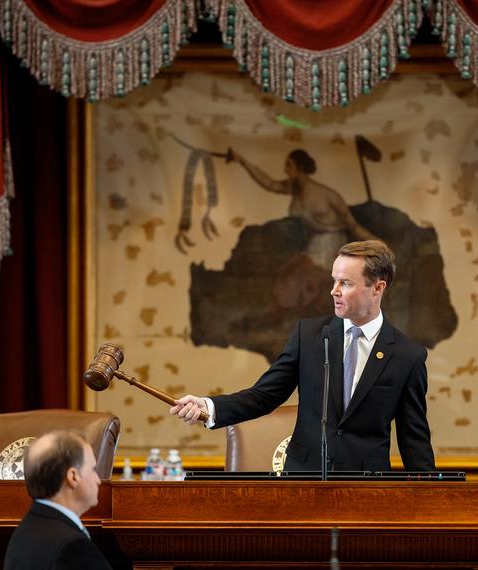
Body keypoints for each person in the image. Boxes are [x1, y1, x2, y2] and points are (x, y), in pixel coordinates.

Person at [171, 240, 435, 472]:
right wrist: (210, 407)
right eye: (334, 280)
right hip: (302, 481)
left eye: (345, 283)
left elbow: (414, 440)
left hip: (367, 491)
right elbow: (265, 395)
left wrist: (433, 506)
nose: (334, 290)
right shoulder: (309, 336)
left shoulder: (406, 356)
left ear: (377, 288)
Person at [229, 148, 377, 268]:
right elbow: (269, 183)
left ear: (300, 167)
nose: (285, 170)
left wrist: (375, 242)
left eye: (289, 165)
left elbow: (352, 225)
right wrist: (242, 161)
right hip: (312, 244)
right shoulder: (294, 189)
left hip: (332, 245)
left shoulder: (326, 194)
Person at [4, 430, 111, 570]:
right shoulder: (72, 546)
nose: (98, 480)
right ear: (73, 477)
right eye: (92, 469)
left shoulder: (24, 531)